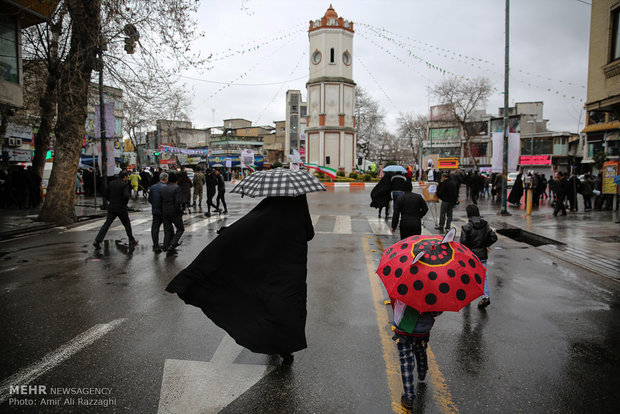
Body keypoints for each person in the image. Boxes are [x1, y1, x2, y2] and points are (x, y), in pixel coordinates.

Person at [165, 194, 315, 365]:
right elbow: (309, 234)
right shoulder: (299, 207)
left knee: (269, 304)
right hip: (291, 271)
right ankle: (286, 348)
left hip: (270, 269)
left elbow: (248, 227)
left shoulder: (268, 208)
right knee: (289, 307)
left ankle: (272, 343)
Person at [391, 300, 442, 410]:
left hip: (403, 328)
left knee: (406, 361)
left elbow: (394, 302)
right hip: (423, 330)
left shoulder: (403, 286)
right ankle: (422, 371)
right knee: (421, 349)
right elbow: (437, 312)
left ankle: (409, 397)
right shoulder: (433, 290)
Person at [459, 204, 497, 309]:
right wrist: (485, 244)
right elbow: (493, 237)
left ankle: (467, 296)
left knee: (467, 276)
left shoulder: (467, 227)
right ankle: (486, 296)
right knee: (482, 277)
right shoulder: (485, 225)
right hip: (482, 255)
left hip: (471, 256)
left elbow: (463, 243)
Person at [93, 172, 138, 249]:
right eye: (127, 177)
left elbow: (105, 194)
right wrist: (124, 203)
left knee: (106, 224)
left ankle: (97, 240)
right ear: (124, 177)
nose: (127, 178)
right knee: (127, 224)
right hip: (121, 207)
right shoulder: (124, 184)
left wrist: (111, 200)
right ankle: (131, 239)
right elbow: (126, 195)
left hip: (112, 207)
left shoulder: (111, 183)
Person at [159, 172, 185, 257]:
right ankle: (172, 244)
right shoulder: (177, 188)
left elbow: (160, 201)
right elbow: (178, 202)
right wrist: (180, 211)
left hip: (165, 211)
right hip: (174, 212)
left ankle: (166, 246)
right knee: (180, 229)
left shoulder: (163, 189)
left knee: (168, 230)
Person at [148, 172, 168, 253]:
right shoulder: (166, 187)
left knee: (155, 228)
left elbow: (149, 199)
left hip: (155, 211)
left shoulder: (153, 187)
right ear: (165, 178)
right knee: (167, 228)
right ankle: (167, 245)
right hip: (164, 211)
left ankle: (155, 245)